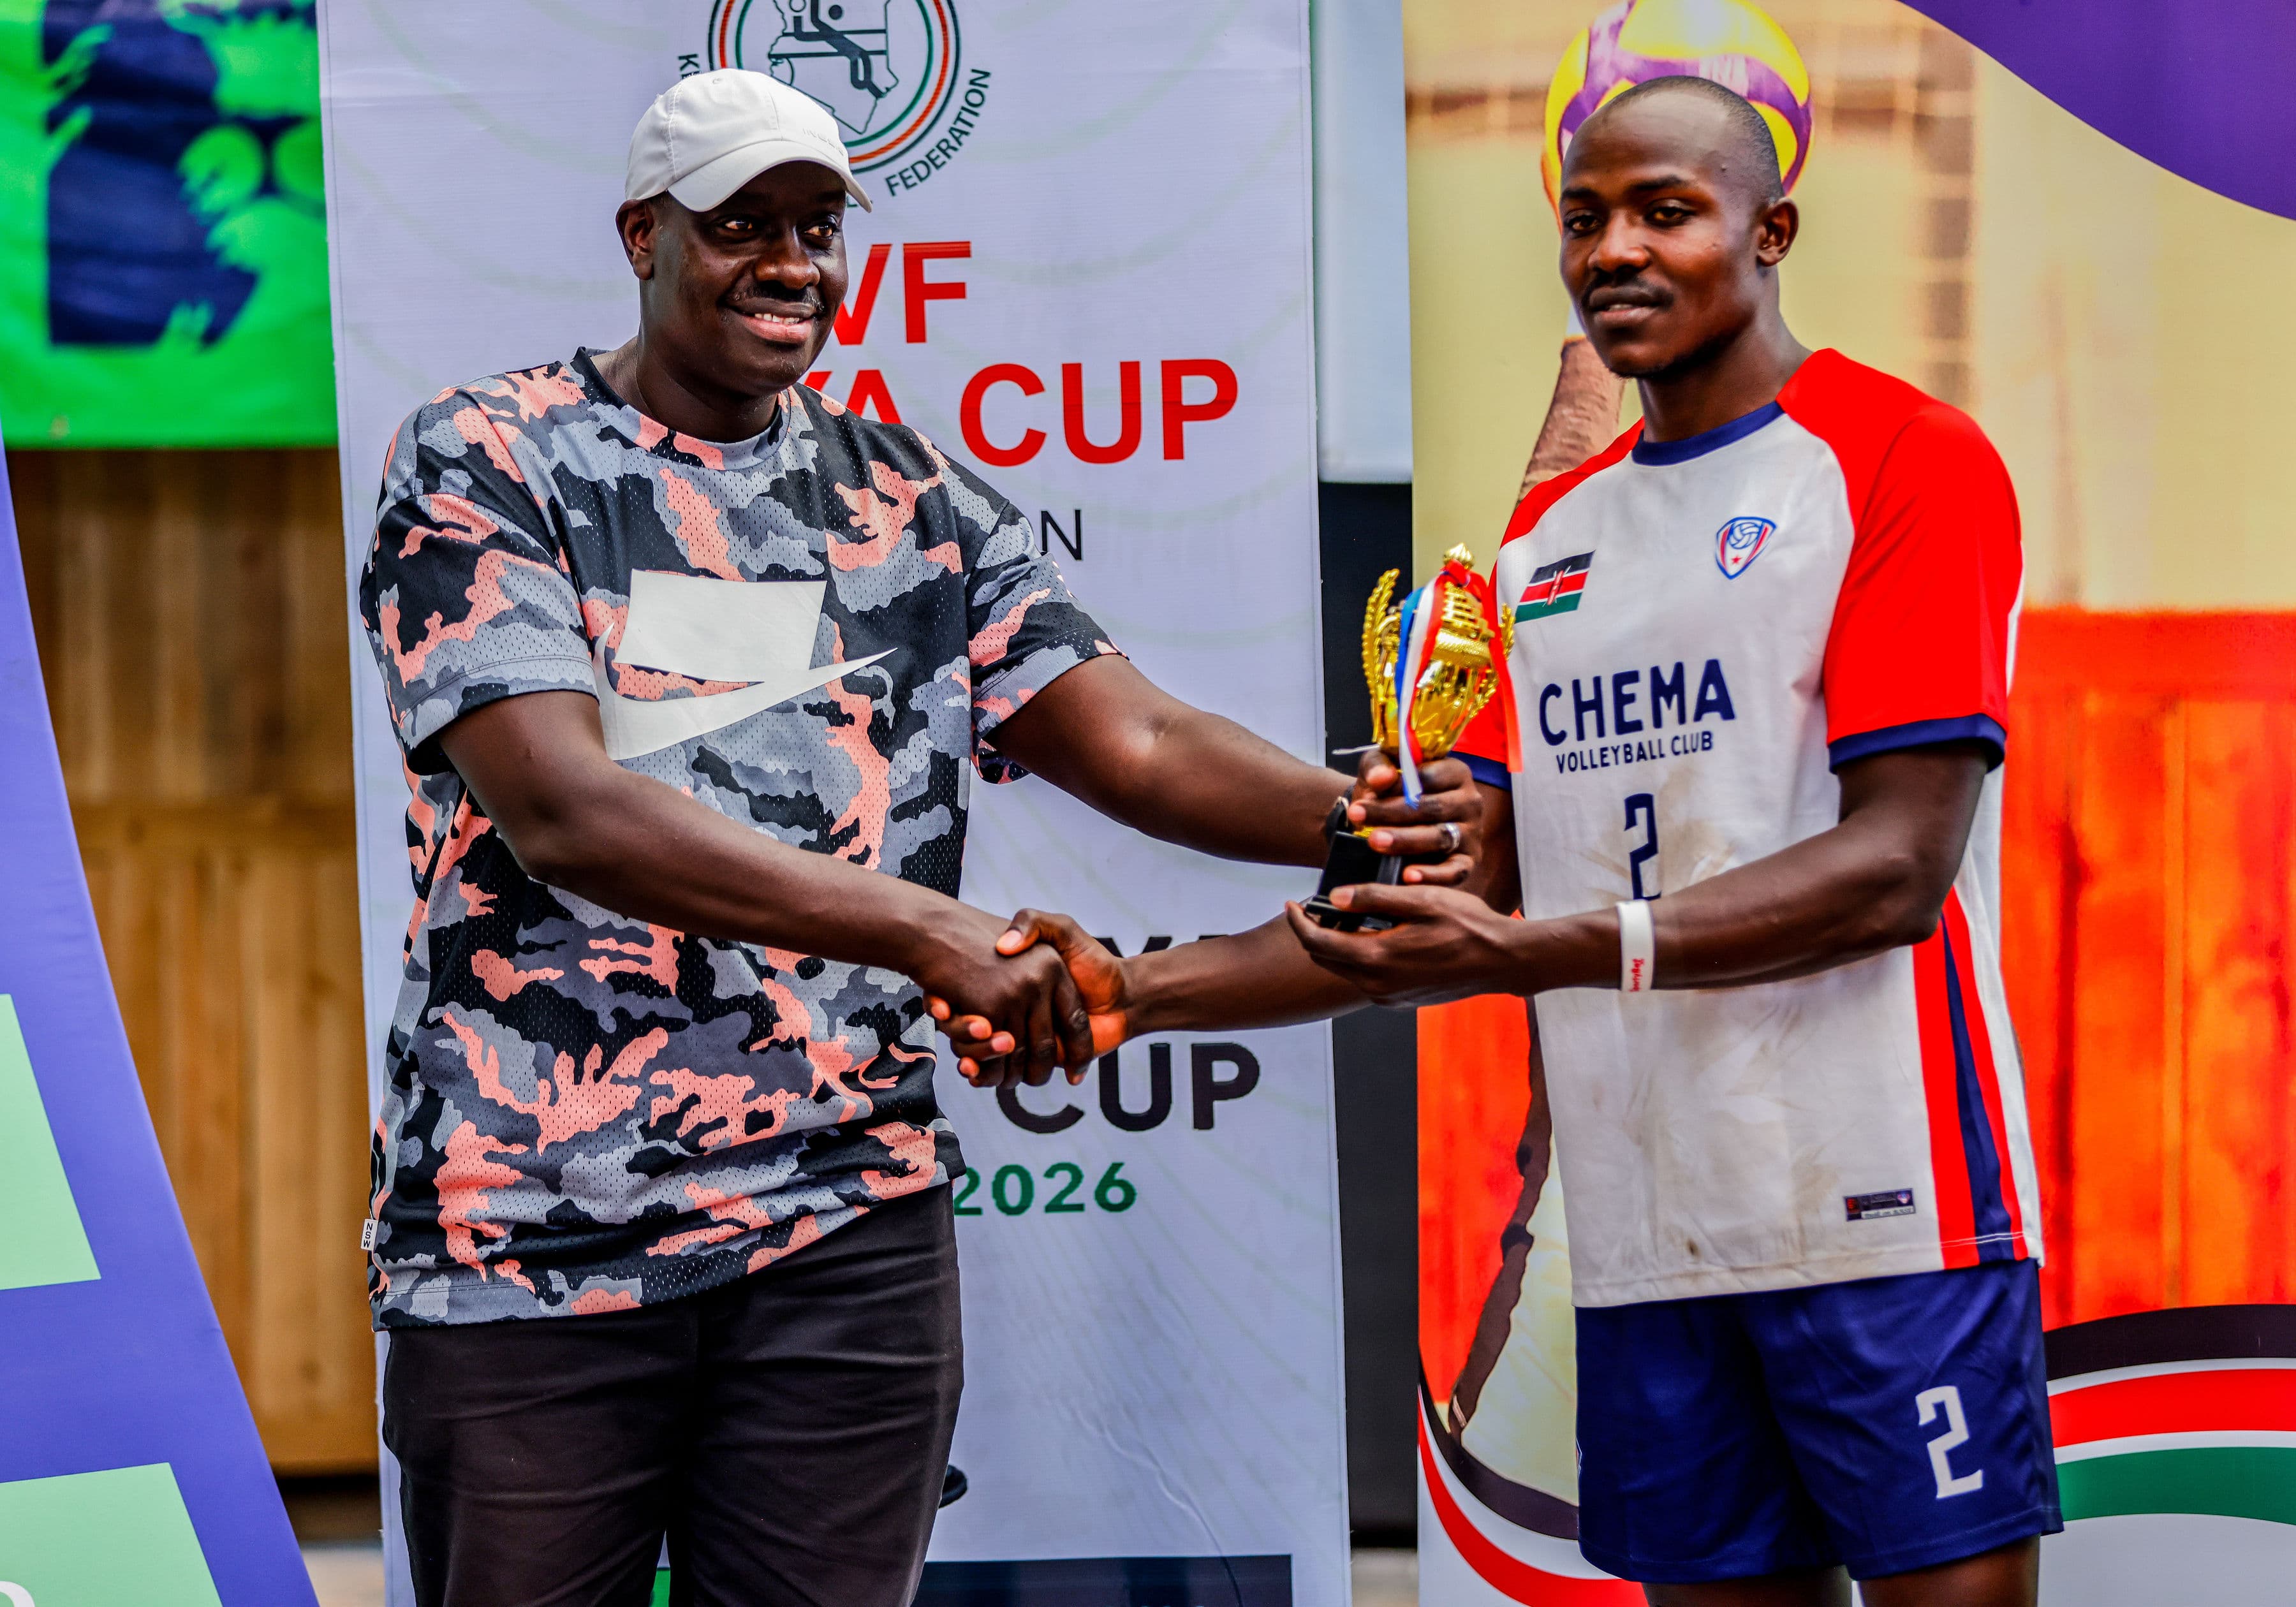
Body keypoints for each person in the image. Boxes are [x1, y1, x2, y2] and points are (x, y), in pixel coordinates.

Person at [357, 68, 1475, 1607]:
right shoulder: (489, 457)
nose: (792, 264)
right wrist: (930, 929)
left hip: (842, 1231)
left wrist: (1371, 820)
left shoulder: (910, 499)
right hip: (537, 1239)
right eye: (742, 225)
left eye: (817, 227)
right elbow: (568, 810)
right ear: (643, 236)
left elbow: (1134, 737)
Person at [949, 75, 2054, 1607]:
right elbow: (1426, 904)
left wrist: (1547, 947)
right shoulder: (1548, 547)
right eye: (1586, 217)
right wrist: (1134, 995)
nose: (1617, 248)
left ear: (1771, 229)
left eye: (1668, 210)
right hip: (1647, 1235)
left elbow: (1899, 870)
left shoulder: (1901, 462)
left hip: (1886, 1210)